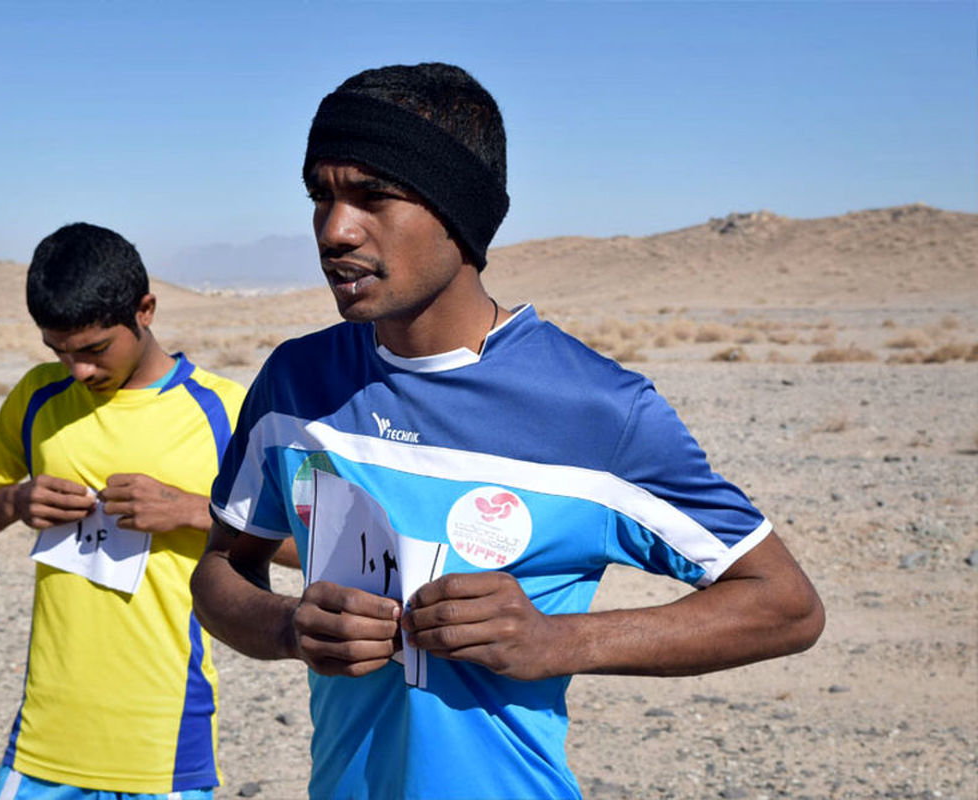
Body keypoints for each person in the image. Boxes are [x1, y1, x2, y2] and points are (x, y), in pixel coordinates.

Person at [190, 63, 825, 800]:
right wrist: (289, 628)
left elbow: (785, 605)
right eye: (321, 197)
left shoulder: (597, 412)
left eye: (373, 197)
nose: (334, 230)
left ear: (459, 210)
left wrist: (560, 642)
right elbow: (219, 572)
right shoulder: (295, 383)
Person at [0, 222, 273, 799]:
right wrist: (14, 500)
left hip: (164, 742)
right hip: (45, 741)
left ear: (145, 309)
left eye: (95, 349)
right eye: (59, 352)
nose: (79, 371)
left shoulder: (225, 411)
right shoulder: (39, 397)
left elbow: (310, 542)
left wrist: (195, 510)